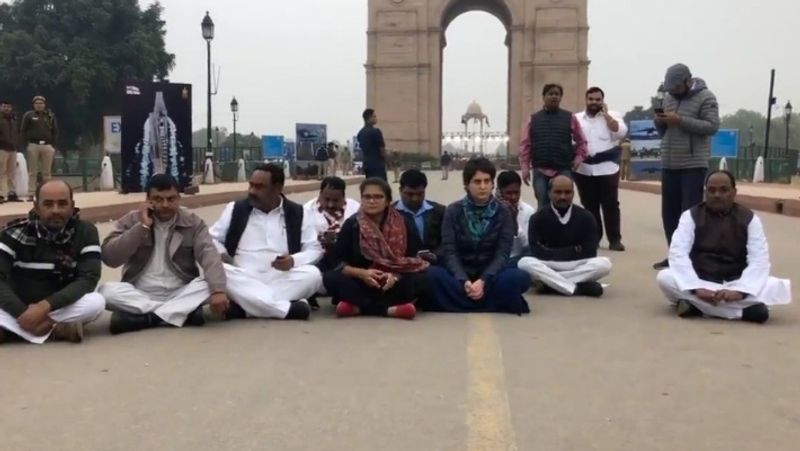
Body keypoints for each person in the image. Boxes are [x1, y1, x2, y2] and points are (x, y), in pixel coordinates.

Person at [98, 174, 229, 335]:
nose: (165, 205)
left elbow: (209, 254)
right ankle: (179, 314)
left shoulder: (193, 223)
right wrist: (141, 228)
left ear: (179, 199)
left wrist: (218, 291)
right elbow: (110, 257)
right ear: (147, 200)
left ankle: (148, 318)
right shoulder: (132, 220)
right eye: (158, 199)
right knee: (106, 292)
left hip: (181, 290)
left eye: (171, 199)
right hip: (140, 292)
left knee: (209, 284)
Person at [656, 170, 791, 323]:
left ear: (734, 192)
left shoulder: (750, 219)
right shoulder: (690, 216)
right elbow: (678, 254)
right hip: (701, 282)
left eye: (723, 190)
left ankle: (696, 307)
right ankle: (745, 312)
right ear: (705, 192)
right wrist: (695, 287)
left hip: (736, 283)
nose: (717, 195)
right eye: (712, 190)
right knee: (665, 278)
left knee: (773, 285)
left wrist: (741, 291)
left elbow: (759, 260)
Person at [209, 163, 322, 321]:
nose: (252, 191)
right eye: (251, 185)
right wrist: (222, 253)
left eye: (260, 187)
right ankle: (288, 309)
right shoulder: (235, 209)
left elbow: (315, 249)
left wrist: (293, 261)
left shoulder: (299, 213)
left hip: (281, 277)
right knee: (217, 270)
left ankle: (245, 309)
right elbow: (211, 239)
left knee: (313, 275)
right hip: (243, 275)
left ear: (277, 188)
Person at [0, 180, 103, 344]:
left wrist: (44, 307)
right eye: (48, 204)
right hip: (17, 304)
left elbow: (88, 279)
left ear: (72, 205)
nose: (56, 210)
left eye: (62, 204)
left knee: (96, 302)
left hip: (57, 306)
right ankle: (56, 330)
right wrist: (21, 313)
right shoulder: (13, 233)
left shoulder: (85, 231)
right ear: (36, 206)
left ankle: (13, 331)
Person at [425, 158, 532, 314]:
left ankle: (459, 302)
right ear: (467, 185)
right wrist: (464, 281)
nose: (482, 186)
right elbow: (450, 251)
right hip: (460, 274)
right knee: (429, 275)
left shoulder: (503, 212)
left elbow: (502, 253)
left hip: (491, 275)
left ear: (492, 184)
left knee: (520, 277)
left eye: (486, 181)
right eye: (477, 182)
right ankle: (490, 302)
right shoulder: (453, 211)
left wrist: (483, 281)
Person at [323, 178, 431, 319]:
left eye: (378, 197)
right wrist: (362, 273)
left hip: (393, 281)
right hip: (361, 281)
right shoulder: (353, 224)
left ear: (388, 201)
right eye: (367, 197)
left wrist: (395, 276)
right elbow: (336, 260)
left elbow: (414, 259)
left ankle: (357, 308)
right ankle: (389, 310)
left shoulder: (404, 222)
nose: (372, 201)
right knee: (330, 278)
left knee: (426, 278)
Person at [653, 63, 720, 270]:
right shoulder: (669, 98)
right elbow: (663, 130)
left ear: (687, 81)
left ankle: (690, 258)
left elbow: (712, 126)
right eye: (669, 88)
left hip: (693, 163)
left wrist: (680, 119)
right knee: (669, 214)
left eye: (675, 87)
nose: (672, 91)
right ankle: (674, 255)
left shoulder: (706, 97)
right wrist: (660, 120)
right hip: (669, 163)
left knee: (689, 214)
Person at [517, 175, 612, 297]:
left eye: (567, 192)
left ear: (573, 193)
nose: (563, 196)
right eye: (558, 192)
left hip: (577, 264)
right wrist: (575, 249)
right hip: (548, 265)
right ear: (549, 193)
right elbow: (537, 251)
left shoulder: (586, 217)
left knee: (605, 264)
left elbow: (590, 252)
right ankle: (577, 287)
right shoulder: (537, 218)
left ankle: (550, 284)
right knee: (524, 263)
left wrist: (551, 251)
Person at [574, 87, 629, 252]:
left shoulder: (613, 115)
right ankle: (594, 238)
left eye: (597, 100)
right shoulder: (576, 118)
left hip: (608, 168)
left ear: (602, 101)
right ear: (586, 100)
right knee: (589, 206)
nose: (594, 102)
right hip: (584, 169)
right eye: (591, 99)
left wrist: (606, 116)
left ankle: (615, 240)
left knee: (611, 205)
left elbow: (620, 133)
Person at [519, 84, 588, 210]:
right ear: (543, 97)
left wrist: (578, 159)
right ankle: (544, 230)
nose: (554, 96)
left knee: (564, 204)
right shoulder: (533, 119)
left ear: (561, 97)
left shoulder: (570, 118)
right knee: (543, 205)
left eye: (557, 94)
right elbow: (525, 144)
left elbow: (582, 141)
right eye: (550, 94)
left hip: (563, 168)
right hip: (541, 169)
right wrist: (524, 167)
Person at [303, 176, 360, 273]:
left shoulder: (355, 208)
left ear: (343, 197)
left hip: (348, 260)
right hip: (318, 259)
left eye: (335, 200)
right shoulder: (306, 211)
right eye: (327, 199)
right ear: (320, 195)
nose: (330, 205)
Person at [394, 169, 446, 262]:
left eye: (419, 194)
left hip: (436, 263)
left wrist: (435, 255)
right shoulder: (391, 213)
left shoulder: (439, 211)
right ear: (400, 190)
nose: (415, 198)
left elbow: (448, 241)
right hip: (403, 267)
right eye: (410, 194)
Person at [20, 96, 58, 201]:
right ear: (33, 105)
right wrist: (25, 144)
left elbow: (55, 131)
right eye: (37, 103)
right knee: (33, 171)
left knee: (47, 172)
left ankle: (48, 194)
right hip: (33, 145)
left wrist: (52, 144)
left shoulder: (50, 116)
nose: (39, 105)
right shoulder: (29, 115)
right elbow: (23, 130)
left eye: (41, 103)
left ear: (44, 105)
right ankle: (31, 193)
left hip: (47, 145)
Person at [496, 171, 536, 262]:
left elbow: (527, 244)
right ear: (499, 192)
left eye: (516, 192)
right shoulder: (490, 210)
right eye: (509, 193)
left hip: (521, 258)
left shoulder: (528, 211)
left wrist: (515, 223)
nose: (513, 197)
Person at [356, 108, 387, 180]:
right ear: (369, 118)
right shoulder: (376, 132)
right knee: (381, 187)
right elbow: (382, 151)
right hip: (377, 165)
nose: (376, 118)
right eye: (374, 116)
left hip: (367, 164)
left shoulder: (360, 133)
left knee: (370, 185)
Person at [0, 100, 18, 203]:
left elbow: (17, 133)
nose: (6, 108)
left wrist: (16, 144)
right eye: (4, 106)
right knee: (1, 172)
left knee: (12, 173)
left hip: (13, 149)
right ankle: (1, 194)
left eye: (8, 107)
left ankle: (12, 193)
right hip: (2, 148)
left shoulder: (13, 119)